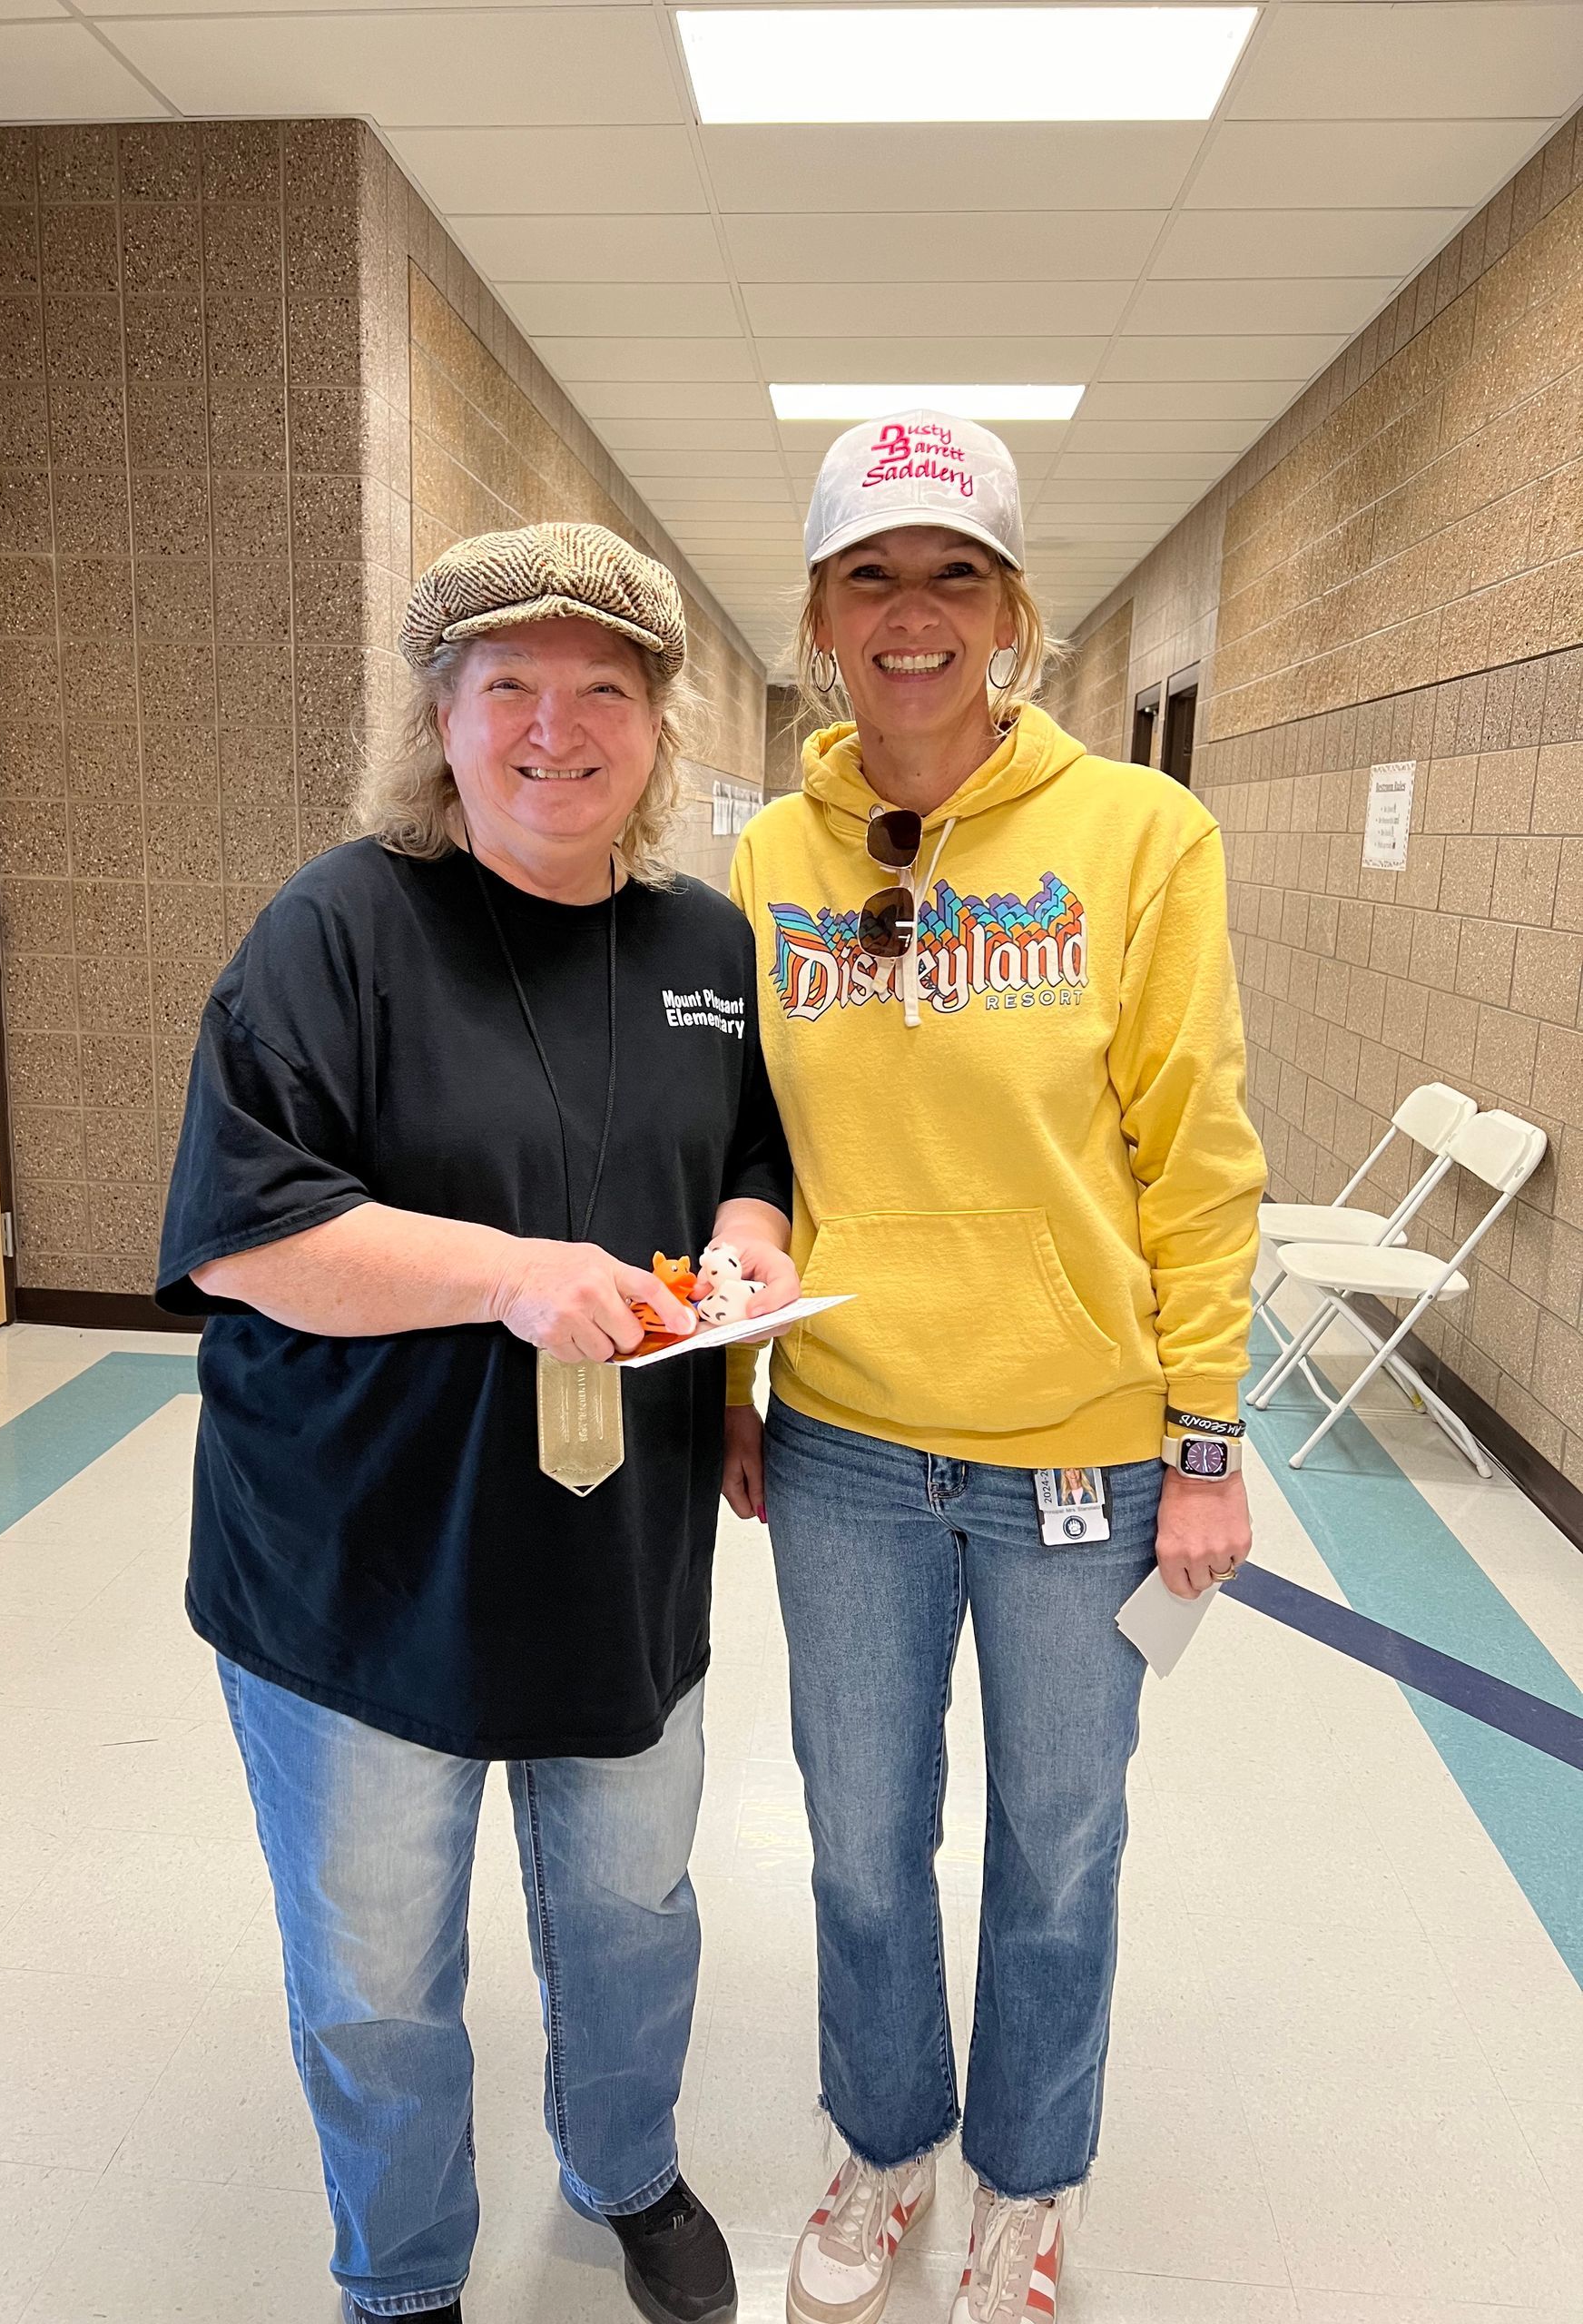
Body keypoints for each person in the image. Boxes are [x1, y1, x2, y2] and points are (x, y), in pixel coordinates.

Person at [156, 523, 798, 2324]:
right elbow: (246, 1231)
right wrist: (509, 1273)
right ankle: (407, 2270)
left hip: (616, 1547)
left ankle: (624, 2166)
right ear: (440, 715)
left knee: (629, 1914)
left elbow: (752, 1151)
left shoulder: (705, 946)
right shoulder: (336, 930)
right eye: (507, 683)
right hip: (361, 1561)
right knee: (373, 1971)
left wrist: (749, 1247)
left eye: (604, 688)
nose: (554, 726)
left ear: (658, 730)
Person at [721, 412, 1265, 2324]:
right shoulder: (769, 859)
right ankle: (882, 2148)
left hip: (1087, 1462)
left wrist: (1204, 1435)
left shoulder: (1140, 834)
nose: (914, 611)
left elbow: (1198, 1154)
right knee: (862, 1844)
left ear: (1015, 610)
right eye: (873, 572)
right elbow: (748, 1151)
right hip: (852, 1444)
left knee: (1059, 1851)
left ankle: (1028, 2186)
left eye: (956, 572)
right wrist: (734, 1373)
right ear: (819, 613)